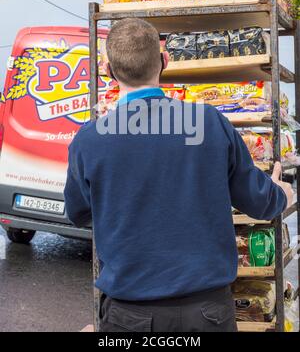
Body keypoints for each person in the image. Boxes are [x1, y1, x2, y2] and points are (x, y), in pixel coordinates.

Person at [64, 18, 293, 332]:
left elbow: (78, 213)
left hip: (129, 316)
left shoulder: (89, 139)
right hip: (207, 314)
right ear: (164, 61)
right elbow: (261, 203)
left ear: (108, 69)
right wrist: (282, 191)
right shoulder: (209, 123)